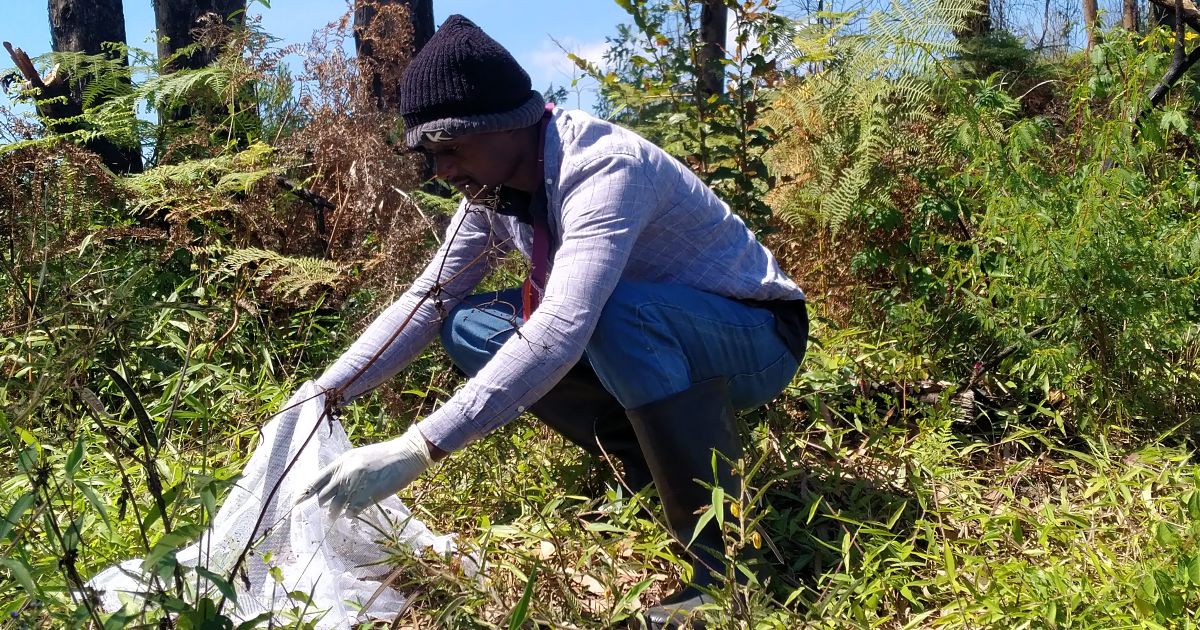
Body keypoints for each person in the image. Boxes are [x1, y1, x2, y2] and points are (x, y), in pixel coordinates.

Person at [298, 14, 807, 628]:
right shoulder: (490, 190)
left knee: (613, 313)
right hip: (645, 334)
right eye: (430, 156)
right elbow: (427, 298)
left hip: (754, 336)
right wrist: (327, 391)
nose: (444, 171)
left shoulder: (603, 168)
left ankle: (720, 574)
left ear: (505, 125)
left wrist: (418, 447)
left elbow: (565, 323)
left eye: (451, 148)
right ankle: (646, 469)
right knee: (468, 327)